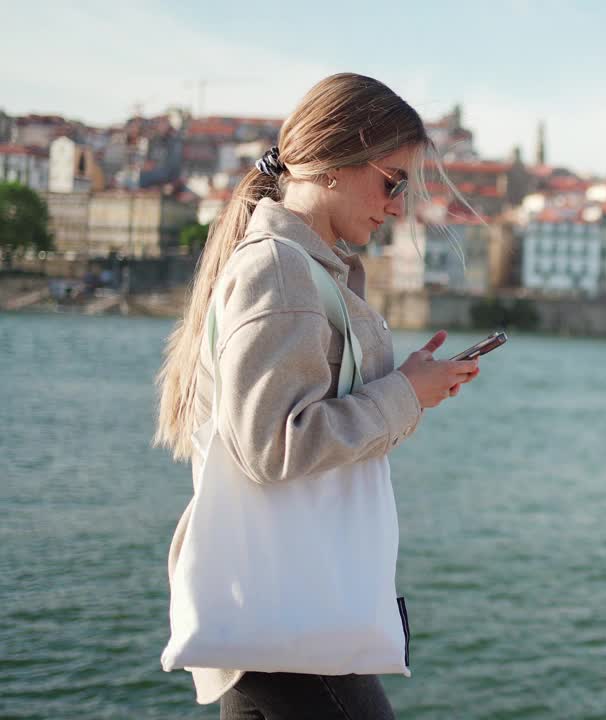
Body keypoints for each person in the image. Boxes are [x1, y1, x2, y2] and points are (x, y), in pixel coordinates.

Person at [153, 73, 479, 719]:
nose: (397, 205)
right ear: (337, 161)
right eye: (393, 181)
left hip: (278, 619)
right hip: (296, 620)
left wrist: (406, 385)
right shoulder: (279, 268)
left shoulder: (298, 265)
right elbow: (271, 446)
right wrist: (405, 395)